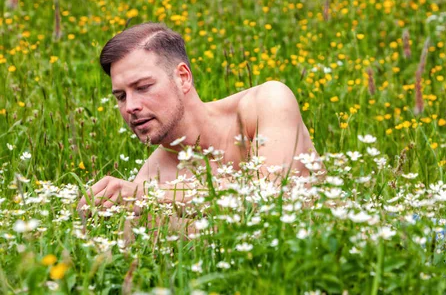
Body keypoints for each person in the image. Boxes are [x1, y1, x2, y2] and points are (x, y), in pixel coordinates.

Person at [77, 22, 319, 216]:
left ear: (183, 77)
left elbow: (270, 199)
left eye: (143, 87)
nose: (130, 107)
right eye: (120, 96)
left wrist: (148, 198)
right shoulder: (152, 177)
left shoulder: (265, 104)